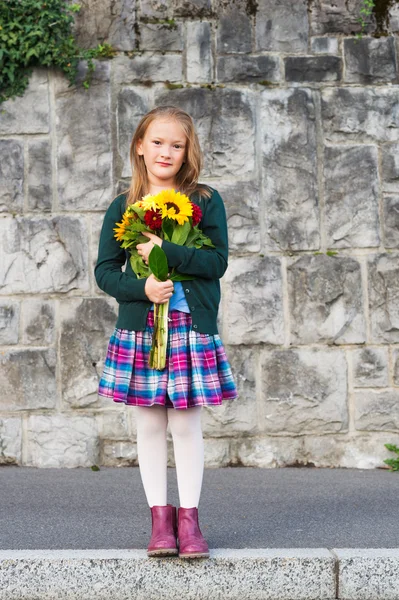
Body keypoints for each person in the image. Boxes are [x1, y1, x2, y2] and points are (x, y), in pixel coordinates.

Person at [94, 105, 238, 559]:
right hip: (142, 330)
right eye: (157, 142)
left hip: (190, 327)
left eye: (176, 145)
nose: (166, 152)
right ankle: (161, 519)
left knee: (186, 421)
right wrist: (143, 287)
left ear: (186, 151)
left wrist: (167, 250)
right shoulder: (123, 206)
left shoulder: (205, 201)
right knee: (150, 422)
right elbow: (105, 272)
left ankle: (190, 520)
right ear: (140, 146)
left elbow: (216, 262)